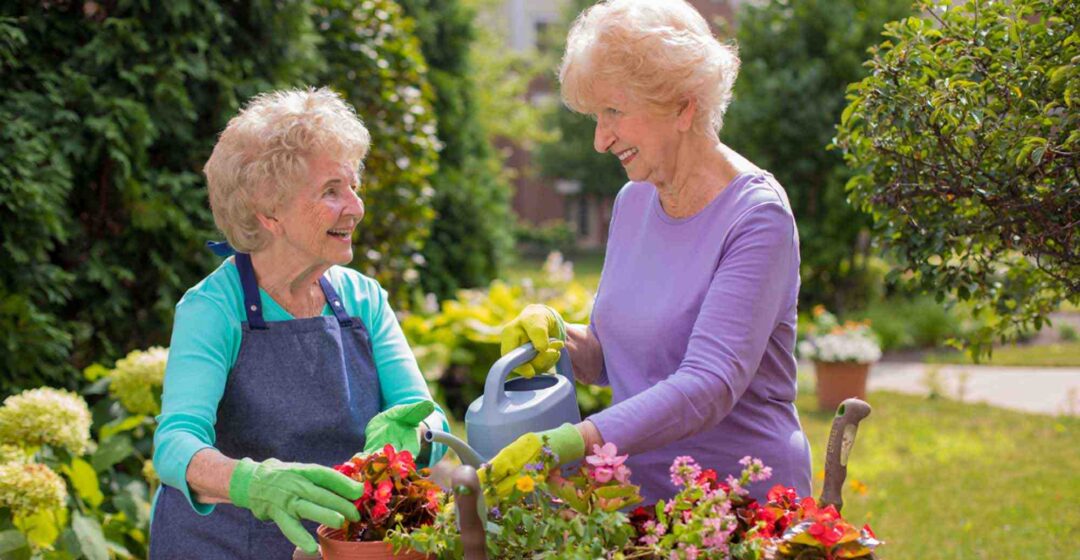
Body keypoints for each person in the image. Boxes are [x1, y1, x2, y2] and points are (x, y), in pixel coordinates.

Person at [485, 0, 812, 505]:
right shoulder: (634, 200)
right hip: (637, 501)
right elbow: (620, 360)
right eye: (596, 117)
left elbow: (708, 383)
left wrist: (577, 439)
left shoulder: (756, 217)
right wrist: (559, 338)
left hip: (736, 504)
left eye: (613, 111)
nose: (600, 139)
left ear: (683, 105)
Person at [149, 87, 449, 558]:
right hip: (222, 546)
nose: (355, 207)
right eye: (332, 191)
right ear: (268, 212)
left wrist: (415, 433)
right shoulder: (213, 308)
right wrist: (252, 482)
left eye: (353, 187)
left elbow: (424, 412)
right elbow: (174, 446)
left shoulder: (363, 299)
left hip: (340, 546)